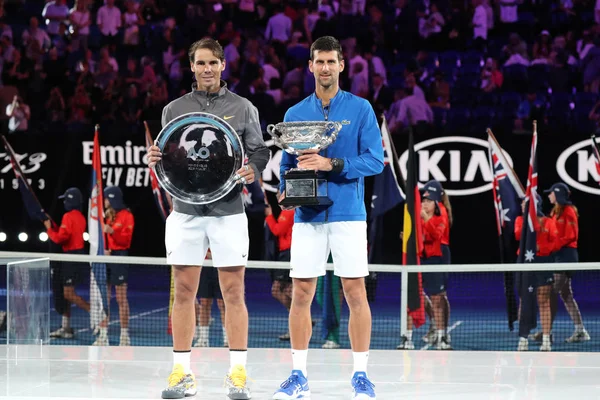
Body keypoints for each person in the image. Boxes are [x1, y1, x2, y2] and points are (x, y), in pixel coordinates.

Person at [147, 37, 269, 400]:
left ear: (223, 65)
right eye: (200, 64)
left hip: (228, 211)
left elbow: (259, 150)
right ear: (192, 67)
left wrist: (253, 169)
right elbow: (170, 154)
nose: (207, 70)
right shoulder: (174, 109)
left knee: (234, 292)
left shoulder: (243, 107)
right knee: (183, 292)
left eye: (213, 63)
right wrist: (156, 157)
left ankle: (237, 373)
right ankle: (181, 374)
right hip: (185, 212)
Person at [272, 36, 383, 400]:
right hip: (307, 216)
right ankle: (298, 374)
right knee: (302, 293)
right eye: (318, 62)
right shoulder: (293, 114)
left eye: (331, 62)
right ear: (310, 66)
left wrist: (331, 163)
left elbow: (375, 161)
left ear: (341, 65)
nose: (324, 68)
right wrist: (284, 192)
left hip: (348, 214)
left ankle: (361, 376)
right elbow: (287, 167)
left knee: (355, 293)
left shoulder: (361, 109)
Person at [542, 183, 590, 343]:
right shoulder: (554, 212)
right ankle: (580, 330)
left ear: (557, 194)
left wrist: (551, 246)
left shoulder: (569, 211)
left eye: (551, 193)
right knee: (566, 295)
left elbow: (571, 236)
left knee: (551, 294)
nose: (548, 195)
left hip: (567, 256)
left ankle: (547, 332)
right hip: (558, 255)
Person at [44, 188, 90, 338]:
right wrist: (54, 227)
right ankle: (66, 327)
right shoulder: (81, 217)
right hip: (74, 256)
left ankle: (96, 314)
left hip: (71, 256)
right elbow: (65, 234)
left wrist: (49, 229)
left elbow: (59, 239)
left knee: (68, 294)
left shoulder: (68, 216)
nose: (64, 202)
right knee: (65, 294)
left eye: (66, 200)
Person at [93, 186, 134, 346]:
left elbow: (126, 241)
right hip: (107, 257)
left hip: (120, 257)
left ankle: (124, 336)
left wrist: (112, 232)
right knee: (105, 298)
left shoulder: (127, 216)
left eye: (106, 198)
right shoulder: (106, 216)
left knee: (121, 298)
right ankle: (103, 335)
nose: (104, 201)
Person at [514, 195, 555, 351]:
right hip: (525, 264)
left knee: (543, 301)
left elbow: (554, 242)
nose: (522, 206)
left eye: (526, 204)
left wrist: (541, 248)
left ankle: (546, 340)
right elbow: (518, 234)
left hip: (543, 264)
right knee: (525, 300)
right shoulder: (520, 221)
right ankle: (523, 338)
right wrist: (530, 220)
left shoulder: (549, 222)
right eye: (523, 204)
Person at [420, 180, 453, 346]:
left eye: (429, 201)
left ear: (437, 201)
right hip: (422, 257)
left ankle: (442, 334)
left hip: (438, 257)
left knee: (439, 297)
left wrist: (426, 219)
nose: (425, 204)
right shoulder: (419, 215)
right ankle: (434, 323)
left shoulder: (442, 214)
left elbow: (435, 235)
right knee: (419, 294)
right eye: (424, 200)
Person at [264, 199, 294, 341]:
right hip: (285, 253)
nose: (278, 197)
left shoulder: (288, 211)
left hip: (288, 254)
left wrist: (269, 216)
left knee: (276, 290)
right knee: (288, 290)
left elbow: (277, 230)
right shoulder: (286, 211)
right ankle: (296, 323)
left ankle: (301, 314)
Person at [193, 249, 228, 348]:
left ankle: (227, 340)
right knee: (204, 303)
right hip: (205, 266)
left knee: (223, 304)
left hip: (222, 266)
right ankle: (203, 340)